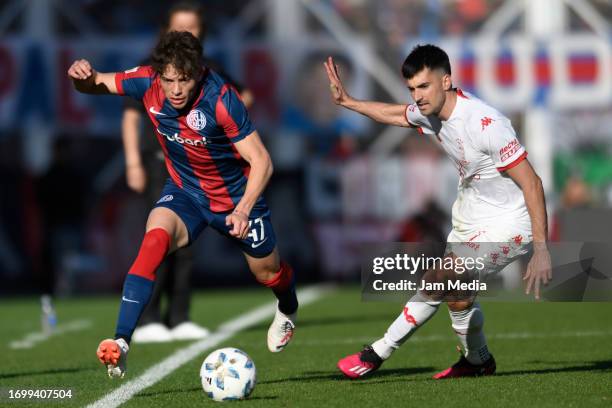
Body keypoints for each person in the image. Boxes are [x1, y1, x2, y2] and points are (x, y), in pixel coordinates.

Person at [68, 31, 298, 378]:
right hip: (186, 192)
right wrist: (81, 77)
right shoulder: (146, 81)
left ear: (199, 72)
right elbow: (96, 84)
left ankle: (288, 307)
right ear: (159, 73)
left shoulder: (221, 98)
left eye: (184, 80)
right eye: (169, 80)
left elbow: (262, 161)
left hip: (236, 199)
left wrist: (243, 208)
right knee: (154, 241)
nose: (175, 90)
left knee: (267, 273)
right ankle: (122, 342)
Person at [324, 44, 552, 379]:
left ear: (446, 81)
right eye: (412, 89)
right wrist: (348, 102)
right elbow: (396, 114)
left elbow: (532, 183)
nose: (417, 96)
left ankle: (376, 353)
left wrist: (542, 247)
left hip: (510, 222)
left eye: (424, 86)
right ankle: (478, 361)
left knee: (440, 277)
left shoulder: (487, 124)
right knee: (457, 298)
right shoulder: (429, 111)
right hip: (470, 216)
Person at [122, 2, 252, 343]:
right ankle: (149, 319)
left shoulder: (209, 73)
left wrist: (224, 123)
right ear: (165, 30)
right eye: (179, 26)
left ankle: (178, 317)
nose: (186, 33)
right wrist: (133, 161)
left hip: (201, 170)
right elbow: (130, 115)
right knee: (158, 238)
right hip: (157, 163)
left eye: (192, 28)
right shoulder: (152, 72)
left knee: (187, 246)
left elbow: (243, 96)